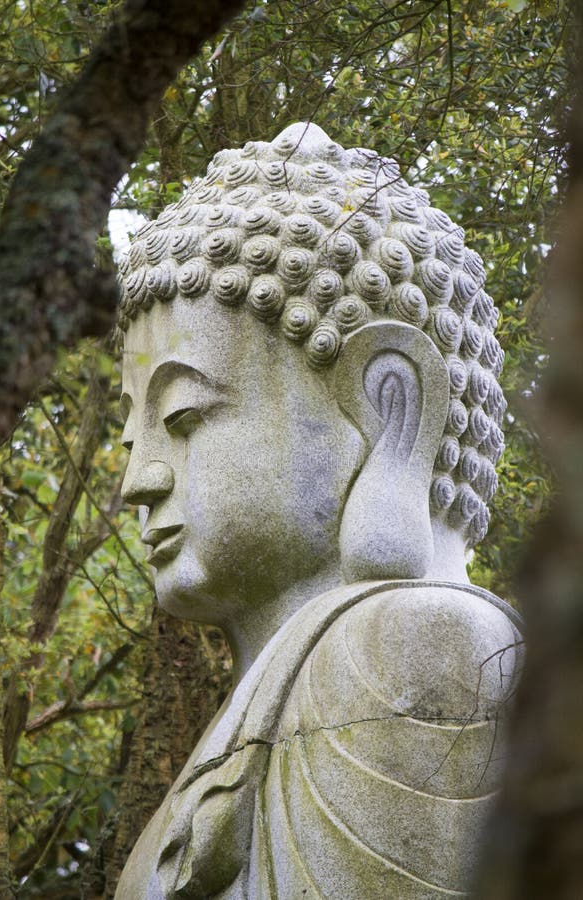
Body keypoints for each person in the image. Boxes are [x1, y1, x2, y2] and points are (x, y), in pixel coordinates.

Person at [115, 123, 523, 899]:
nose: (138, 480)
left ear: (385, 408)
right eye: (132, 434)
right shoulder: (269, 703)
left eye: (184, 418)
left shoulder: (422, 647)